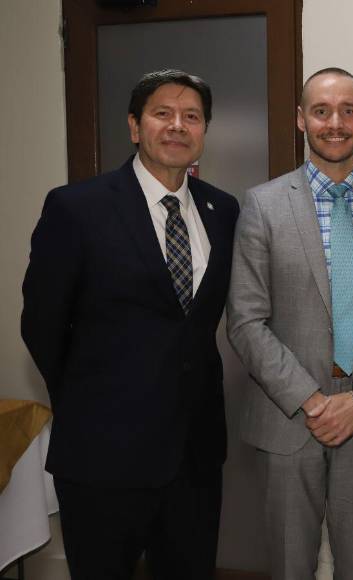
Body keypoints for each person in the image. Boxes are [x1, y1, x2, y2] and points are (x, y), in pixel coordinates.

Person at [21, 69, 239, 579]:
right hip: (102, 454)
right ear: (134, 126)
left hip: (194, 454)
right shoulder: (77, 207)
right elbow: (41, 325)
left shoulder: (222, 210)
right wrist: (91, 400)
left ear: (204, 131)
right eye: (162, 113)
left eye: (192, 117)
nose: (177, 126)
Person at [227, 67, 353, 580]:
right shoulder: (263, 206)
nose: (334, 123)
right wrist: (315, 402)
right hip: (290, 418)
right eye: (321, 111)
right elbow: (246, 321)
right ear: (301, 119)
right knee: (290, 566)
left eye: (346, 111)